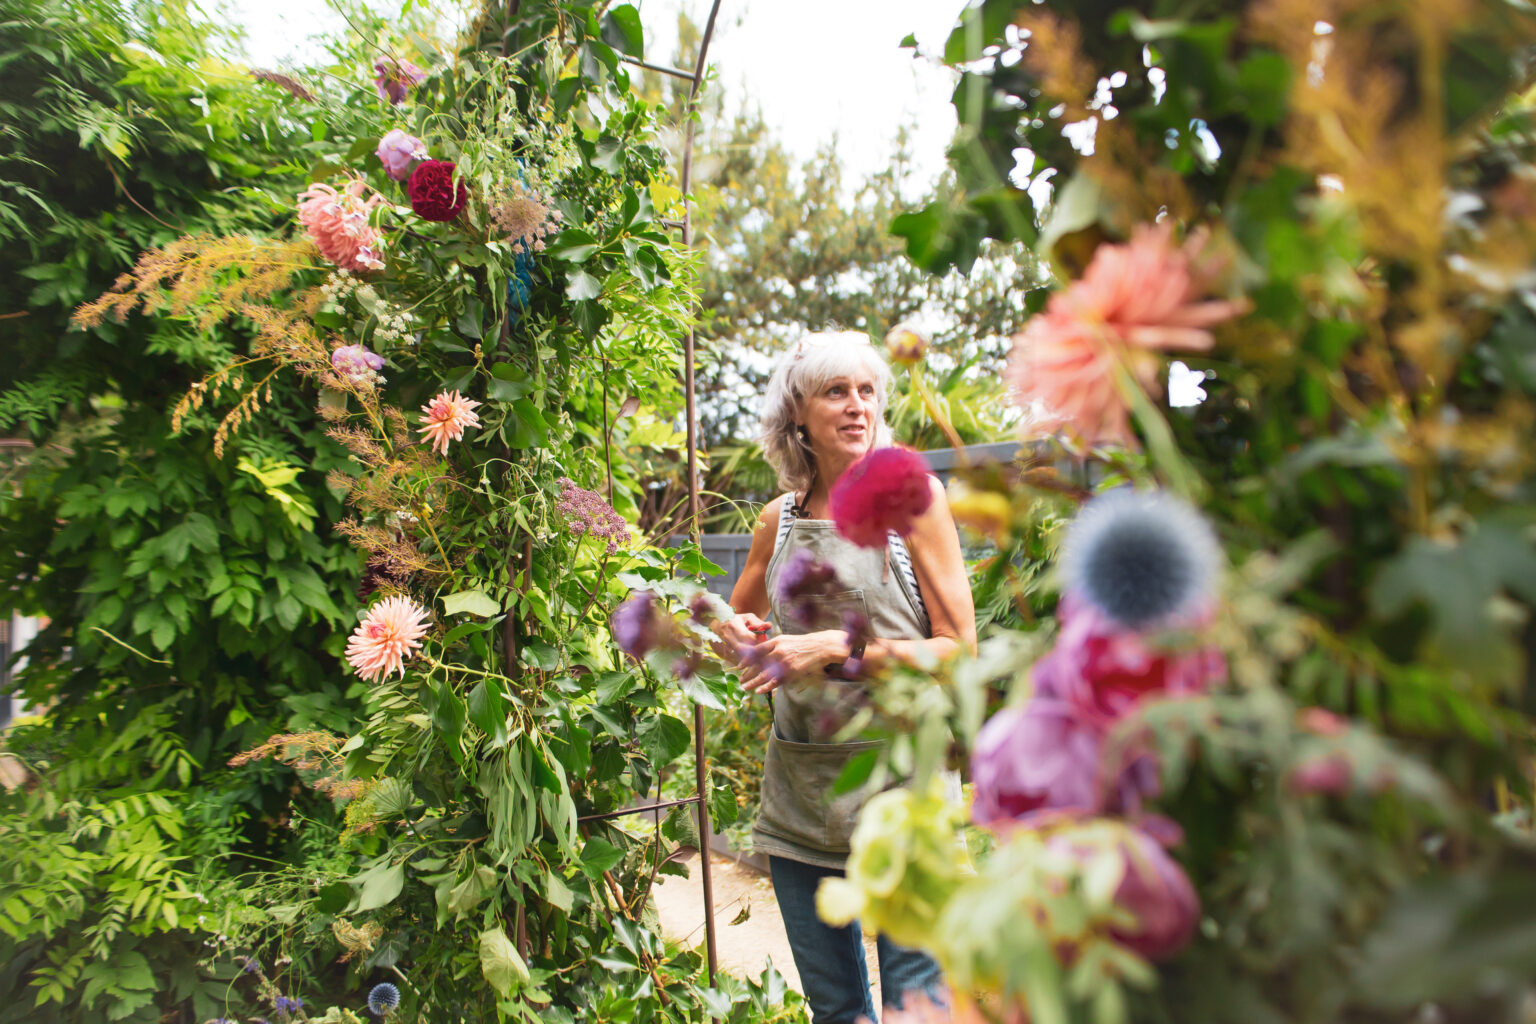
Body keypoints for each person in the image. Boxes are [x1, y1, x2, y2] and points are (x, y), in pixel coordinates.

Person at [717, 331, 977, 1023]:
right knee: (835, 1011)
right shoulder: (777, 520)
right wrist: (733, 634)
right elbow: (738, 630)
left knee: (914, 1008)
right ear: (798, 413)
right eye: (837, 392)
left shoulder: (913, 503)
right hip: (803, 795)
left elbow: (958, 650)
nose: (858, 405)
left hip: (905, 792)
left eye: (867, 391)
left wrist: (838, 647)